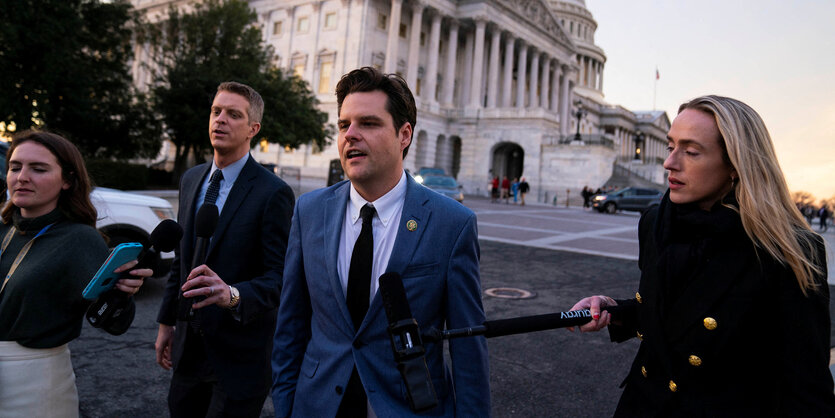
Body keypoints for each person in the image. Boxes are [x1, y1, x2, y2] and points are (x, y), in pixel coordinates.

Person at [569, 95, 835, 416]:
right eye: (670, 147)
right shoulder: (655, 222)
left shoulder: (788, 249)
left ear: (736, 166)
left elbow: (806, 384)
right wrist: (614, 309)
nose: (670, 162)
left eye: (691, 152)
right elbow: (677, 314)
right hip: (641, 404)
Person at [272, 67, 490, 417]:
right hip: (317, 405)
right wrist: (285, 407)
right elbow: (291, 326)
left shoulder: (452, 223)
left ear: (404, 135)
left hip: (407, 407)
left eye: (368, 124)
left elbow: (468, 347)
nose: (350, 136)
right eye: (344, 125)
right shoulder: (309, 211)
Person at [155, 81, 295, 417]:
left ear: (253, 129)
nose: (220, 120)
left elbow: (281, 278)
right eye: (216, 111)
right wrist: (166, 323)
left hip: (239, 358)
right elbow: (181, 261)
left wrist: (231, 294)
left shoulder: (273, 193)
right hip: (189, 352)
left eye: (234, 114)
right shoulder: (191, 179)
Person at [0, 130, 151, 417]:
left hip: (34, 385)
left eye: (38, 169)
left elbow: (114, 323)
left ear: (67, 180)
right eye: (15, 167)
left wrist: (121, 294)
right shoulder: (4, 229)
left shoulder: (80, 239)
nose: (22, 176)